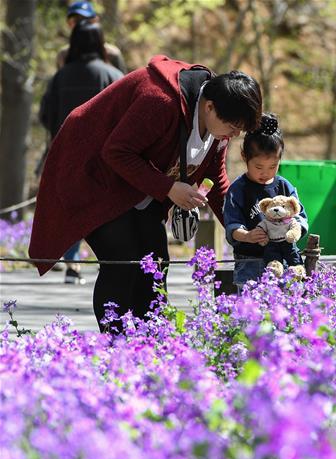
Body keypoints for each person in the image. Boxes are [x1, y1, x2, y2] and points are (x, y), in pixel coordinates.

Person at [29, 55, 262, 331]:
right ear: (209, 107)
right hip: (93, 175)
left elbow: (217, 180)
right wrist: (169, 188)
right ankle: (115, 344)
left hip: (139, 186)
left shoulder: (217, 128)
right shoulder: (160, 101)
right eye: (233, 127)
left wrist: (241, 231)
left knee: (155, 263)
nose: (233, 135)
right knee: (123, 258)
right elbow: (116, 152)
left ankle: (150, 341)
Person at [39, 21, 124, 285]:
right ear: (101, 43)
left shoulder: (59, 77)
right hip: (105, 158)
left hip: (65, 154)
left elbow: (45, 115)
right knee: (107, 208)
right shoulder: (112, 75)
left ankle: (73, 263)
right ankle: (109, 264)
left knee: (73, 207)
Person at [224, 113, 309, 291]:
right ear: (244, 156)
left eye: (273, 166)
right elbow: (232, 225)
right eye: (258, 167)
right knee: (250, 312)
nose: (265, 173)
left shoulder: (284, 186)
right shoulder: (238, 189)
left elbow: (300, 216)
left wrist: (296, 231)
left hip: (284, 260)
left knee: (285, 311)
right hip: (250, 262)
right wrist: (247, 235)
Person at [56, 2, 126, 73]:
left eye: (85, 19)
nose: (82, 23)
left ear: (95, 21)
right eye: (76, 20)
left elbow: (124, 82)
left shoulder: (112, 54)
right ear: (69, 23)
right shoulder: (63, 55)